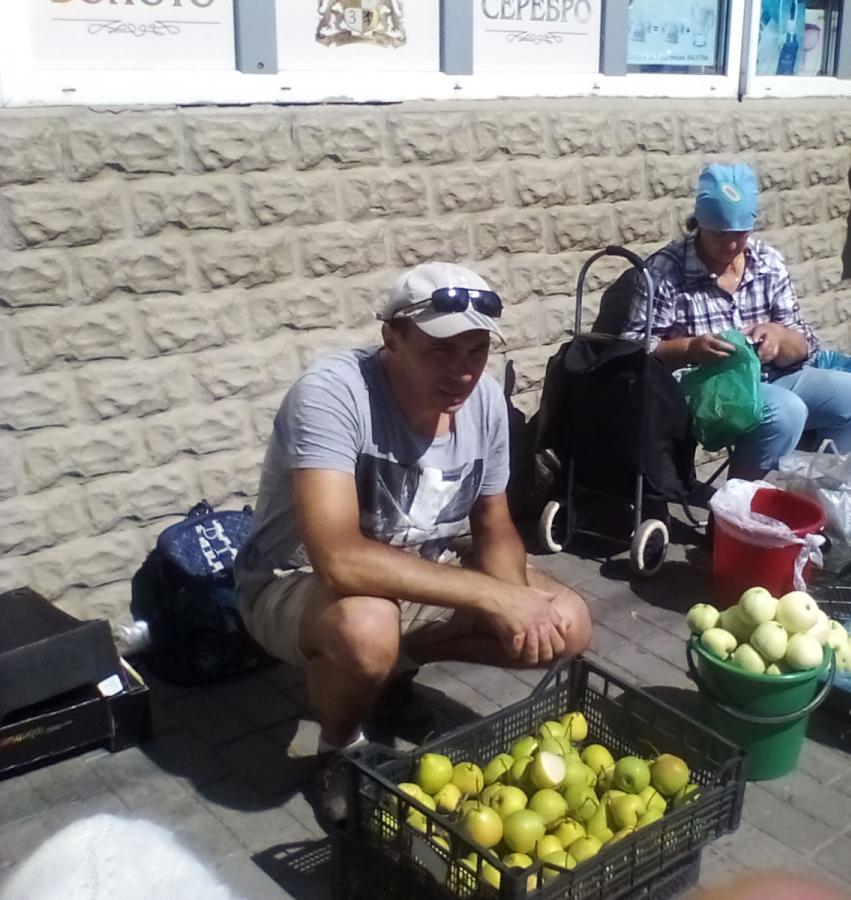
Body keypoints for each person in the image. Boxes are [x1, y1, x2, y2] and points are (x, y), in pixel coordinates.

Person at [234, 262, 591, 825]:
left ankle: (387, 673)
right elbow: (337, 558)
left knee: (567, 624)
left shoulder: (485, 404)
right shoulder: (333, 394)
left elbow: (494, 523)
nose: (462, 372)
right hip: (295, 581)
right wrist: (494, 598)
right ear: (391, 338)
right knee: (367, 629)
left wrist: (515, 603)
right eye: (440, 351)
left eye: (476, 352)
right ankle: (339, 746)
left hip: (421, 566)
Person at [621, 162, 851, 481]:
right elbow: (633, 349)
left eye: (740, 234)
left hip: (769, 377)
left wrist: (778, 337)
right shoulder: (665, 270)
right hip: (703, 387)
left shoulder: (767, 262)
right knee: (785, 410)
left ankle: (828, 497)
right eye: (720, 234)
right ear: (700, 224)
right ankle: (739, 503)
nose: (731, 245)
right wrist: (692, 348)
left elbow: (805, 344)